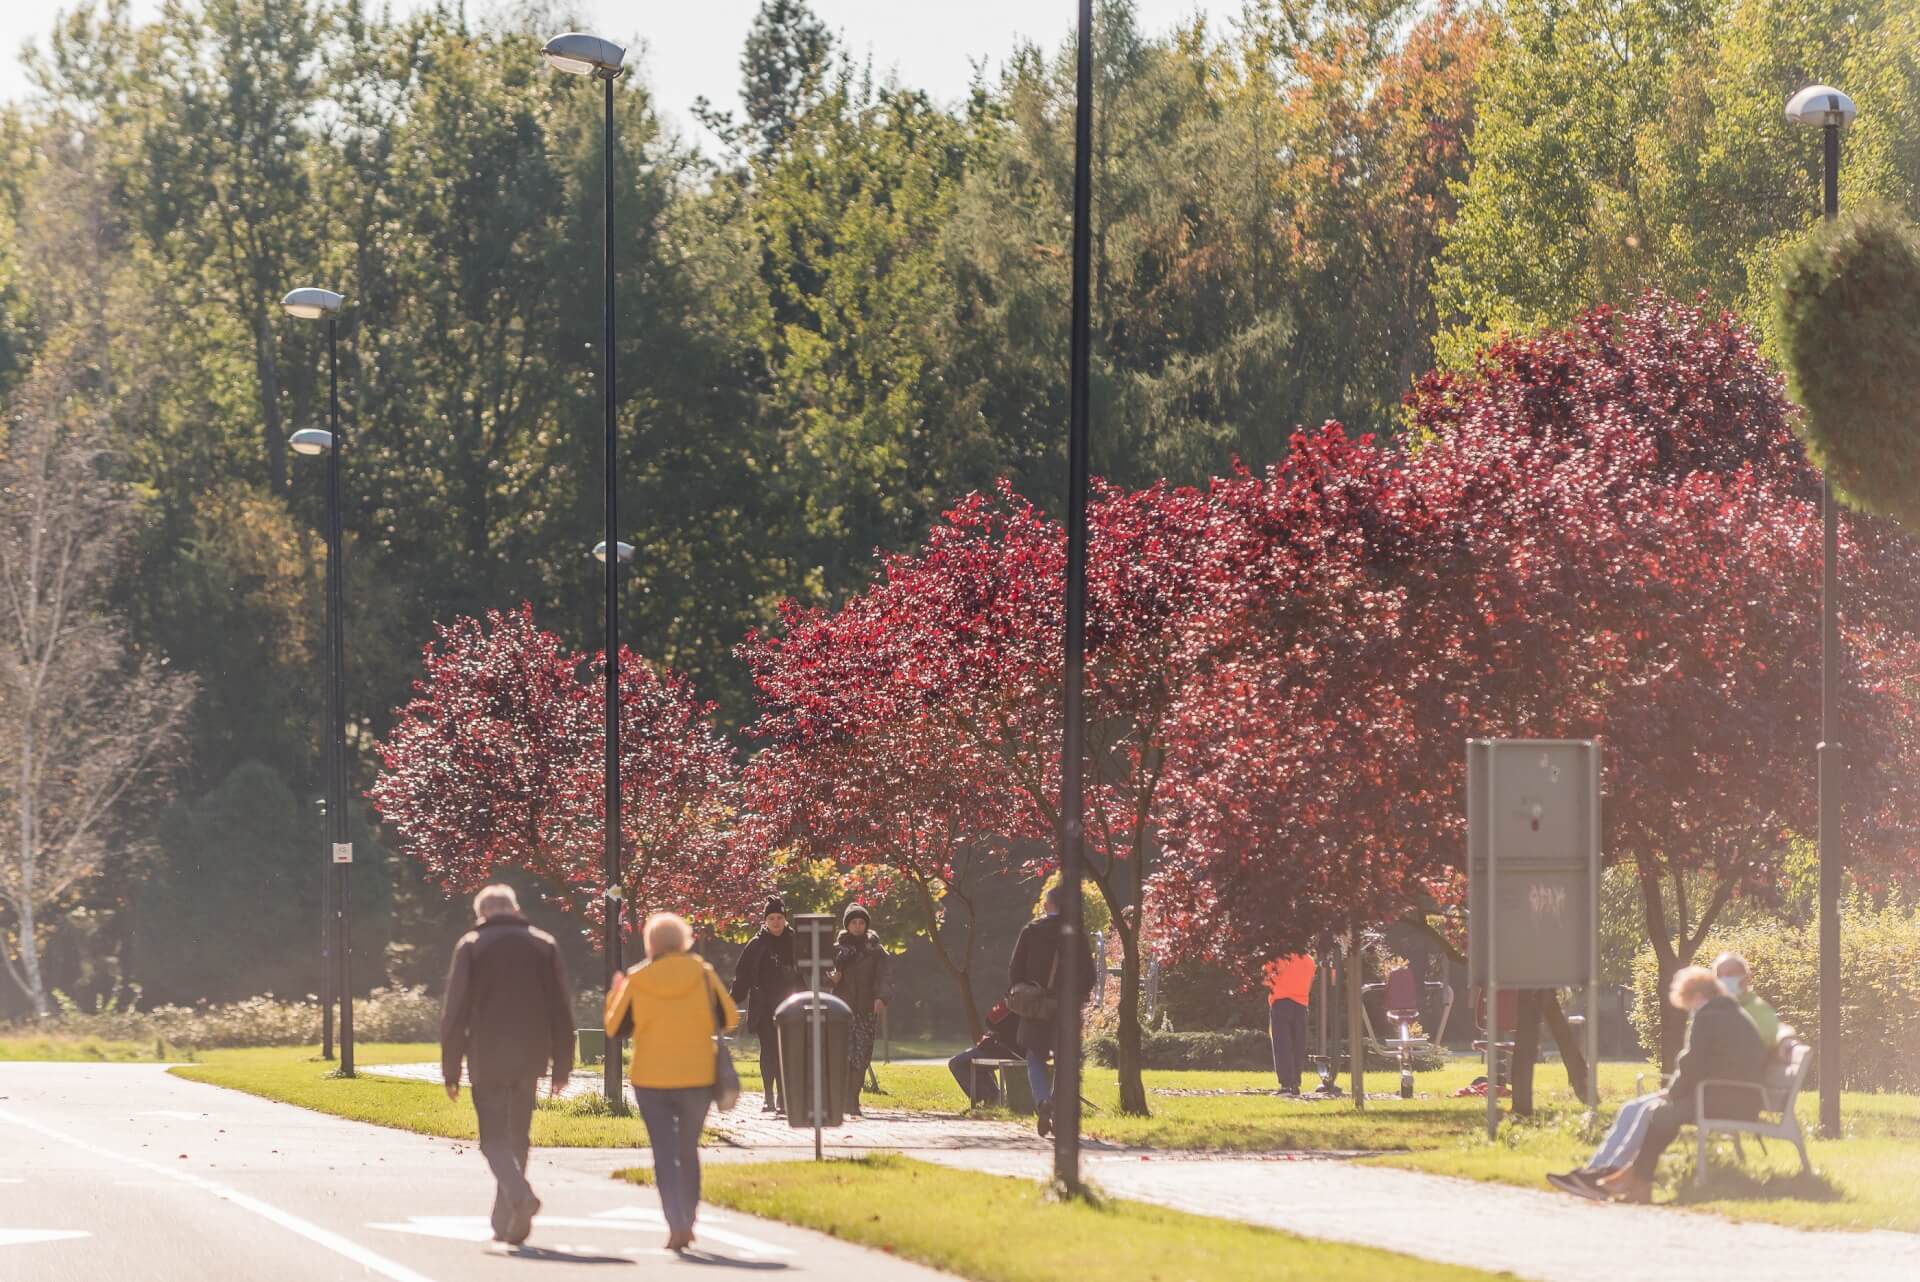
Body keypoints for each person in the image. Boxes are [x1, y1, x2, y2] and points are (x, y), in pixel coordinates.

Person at [1547, 954, 1783, 1199]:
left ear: (1698, 997)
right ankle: (1602, 1172)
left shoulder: (1710, 1015)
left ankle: (1613, 1175)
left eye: (1689, 1003)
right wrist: (1674, 1090)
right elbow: (1704, 1064)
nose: (1690, 1010)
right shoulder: (1724, 1012)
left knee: (1656, 1111)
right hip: (1724, 1095)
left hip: (1726, 1098)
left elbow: (1693, 1062)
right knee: (1637, 1107)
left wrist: (1673, 1092)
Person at [438, 884, 575, 1248]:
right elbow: (561, 1009)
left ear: (481, 913)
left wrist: (450, 1069)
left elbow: (455, 1013)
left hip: (487, 1054)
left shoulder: (471, 946)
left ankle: (519, 1197)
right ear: (515, 910)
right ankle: (507, 1219)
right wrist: (562, 1065)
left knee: (492, 1140)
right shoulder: (543, 944)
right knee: (518, 1137)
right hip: (531, 1055)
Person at [603, 911, 740, 1252]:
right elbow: (730, 1018)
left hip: (651, 1078)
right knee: (688, 1149)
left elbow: (615, 1029)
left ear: (650, 942)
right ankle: (690, 1218)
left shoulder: (637, 977)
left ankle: (675, 1222)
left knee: (664, 1152)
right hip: (697, 1075)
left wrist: (614, 994)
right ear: (684, 940)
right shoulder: (703, 973)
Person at [1007, 883, 1096, 1138]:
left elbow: (1015, 969)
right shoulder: (1076, 934)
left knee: (1035, 1056)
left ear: (1049, 905)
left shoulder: (1031, 931)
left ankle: (1043, 1100)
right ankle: (1056, 1105)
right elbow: (1088, 974)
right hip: (1066, 1007)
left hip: (1036, 1006)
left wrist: (1024, 990)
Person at [729, 896, 798, 1114]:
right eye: (771, 918)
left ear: (785, 919)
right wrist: (731, 1001)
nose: (776, 922)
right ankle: (769, 1096)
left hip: (790, 1005)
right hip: (764, 1007)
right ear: (765, 920)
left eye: (779, 917)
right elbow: (742, 977)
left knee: (787, 1051)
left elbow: (807, 971)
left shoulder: (795, 941)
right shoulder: (756, 945)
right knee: (769, 1051)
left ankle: (784, 1097)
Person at [830, 903, 894, 1116]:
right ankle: (842, 1099)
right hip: (842, 1010)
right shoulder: (837, 949)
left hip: (866, 1008)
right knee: (844, 1055)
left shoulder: (875, 949)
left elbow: (885, 976)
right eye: (853, 922)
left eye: (861, 922)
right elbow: (824, 975)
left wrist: (881, 998)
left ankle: (853, 1100)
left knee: (862, 1054)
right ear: (847, 925)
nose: (858, 926)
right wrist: (832, 979)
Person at [947, 1001, 1023, 1107]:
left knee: (957, 1063)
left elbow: (990, 1021)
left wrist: (1006, 1002)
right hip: (1018, 1050)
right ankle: (992, 1098)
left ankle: (992, 1098)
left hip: (1007, 1050)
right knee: (973, 1059)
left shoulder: (1017, 1000)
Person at [1264, 953, 1315, 1095]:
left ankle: (1286, 1084)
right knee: (1297, 1046)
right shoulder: (1309, 960)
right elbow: (1309, 984)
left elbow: (1266, 980)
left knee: (1282, 1045)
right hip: (1301, 1005)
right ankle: (1295, 1083)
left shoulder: (1278, 956)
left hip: (1281, 1002)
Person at [1714, 952, 1782, 1048]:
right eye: (1719, 975)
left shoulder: (1759, 1009)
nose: (1724, 979)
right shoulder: (1717, 1008)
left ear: (1747, 978)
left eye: (1730, 974)